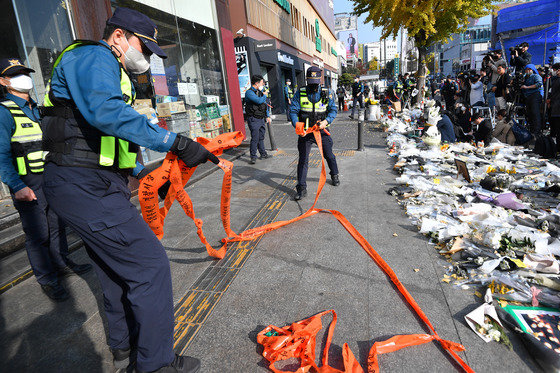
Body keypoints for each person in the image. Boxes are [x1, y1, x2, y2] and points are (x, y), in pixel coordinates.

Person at [40, 7, 218, 372]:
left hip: (91, 182)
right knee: (150, 267)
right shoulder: (94, 56)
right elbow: (106, 115)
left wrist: (149, 172)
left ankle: (126, 346)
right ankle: (155, 365)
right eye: (145, 47)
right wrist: (176, 142)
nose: (148, 57)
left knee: (112, 268)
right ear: (118, 36)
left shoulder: (108, 68)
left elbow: (100, 136)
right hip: (84, 185)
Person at [0, 58, 92, 302]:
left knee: (57, 225)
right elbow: (1, 155)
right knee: (38, 233)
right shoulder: (3, 112)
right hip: (27, 182)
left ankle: (61, 263)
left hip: (50, 177)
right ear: (3, 81)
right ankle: (47, 278)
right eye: (16, 74)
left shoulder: (38, 108)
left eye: (24, 72)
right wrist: (17, 186)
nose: (24, 78)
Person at [289, 66, 339, 201]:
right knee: (303, 159)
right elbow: (293, 111)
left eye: (316, 83)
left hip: (322, 131)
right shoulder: (300, 93)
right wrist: (297, 125)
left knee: (329, 155)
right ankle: (301, 187)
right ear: (306, 80)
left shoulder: (327, 92)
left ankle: (334, 174)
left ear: (320, 80)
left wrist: (326, 121)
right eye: (311, 83)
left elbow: (333, 110)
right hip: (306, 133)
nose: (314, 86)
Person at [245, 74, 271, 164]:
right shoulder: (249, 93)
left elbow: (264, 104)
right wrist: (264, 95)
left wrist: (267, 116)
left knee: (261, 137)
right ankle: (253, 157)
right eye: (261, 83)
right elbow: (259, 101)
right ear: (256, 83)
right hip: (253, 119)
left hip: (260, 118)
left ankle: (263, 153)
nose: (262, 84)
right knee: (255, 138)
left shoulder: (259, 91)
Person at [521, 64, 544, 134]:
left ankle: (537, 131)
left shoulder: (536, 76)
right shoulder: (526, 78)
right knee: (529, 114)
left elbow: (538, 84)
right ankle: (532, 130)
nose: (528, 71)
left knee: (535, 113)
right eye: (526, 69)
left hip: (535, 95)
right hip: (528, 97)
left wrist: (527, 87)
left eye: (529, 69)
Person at [547, 63, 560, 152]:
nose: (553, 71)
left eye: (554, 70)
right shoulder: (556, 80)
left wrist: (551, 100)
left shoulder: (557, 81)